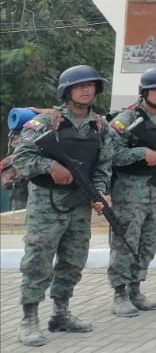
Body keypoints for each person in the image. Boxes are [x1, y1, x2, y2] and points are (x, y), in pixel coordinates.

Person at [14, 65, 122, 347]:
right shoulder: (45, 123)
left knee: (73, 261)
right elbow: (21, 158)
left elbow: (104, 166)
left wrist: (100, 192)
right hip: (46, 206)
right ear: (67, 91)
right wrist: (51, 167)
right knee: (38, 262)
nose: (86, 90)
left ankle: (61, 313)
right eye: (79, 86)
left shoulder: (100, 127)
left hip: (79, 205)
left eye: (91, 85)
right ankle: (29, 319)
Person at [108, 68, 156, 317]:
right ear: (144, 91)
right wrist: (140, 153)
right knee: (125, 242)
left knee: (148, 243)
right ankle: (120, 294)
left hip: (155, 191)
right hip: (129, 192)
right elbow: (109, 154)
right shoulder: (126, 119)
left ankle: (135, 289)